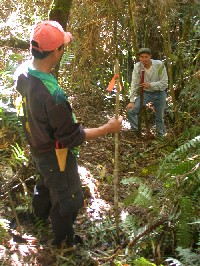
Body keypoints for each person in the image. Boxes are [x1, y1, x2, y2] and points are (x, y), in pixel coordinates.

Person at [14, 21, 122, 248]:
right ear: (56, 51)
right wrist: (107, 129)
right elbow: (72, 137)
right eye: (62, 46)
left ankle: (38, 219)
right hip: (56, 154)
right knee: (68, 199)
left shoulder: (23, 72)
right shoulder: (53, 97)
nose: (64, 50)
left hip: (37, 147)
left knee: (45, 184)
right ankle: (63, 243)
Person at [126, 48, 168, 137]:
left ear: (150, 57)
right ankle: (137, 131)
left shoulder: (159, 65)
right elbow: (134, 83)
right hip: (146, 93)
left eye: (146, 57)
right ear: (139, 57)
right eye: (142, 57)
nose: (144, 59)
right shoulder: (137, 67)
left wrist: (151, 85)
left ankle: (160, 136)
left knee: (159, 117)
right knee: (131, 111)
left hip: (160, 93)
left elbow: (164, 83)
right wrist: (132, 101)